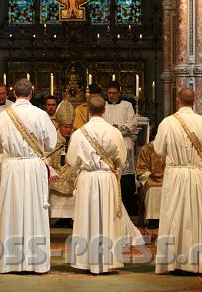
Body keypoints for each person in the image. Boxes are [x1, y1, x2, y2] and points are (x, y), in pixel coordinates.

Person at [0, 78, 57, 273]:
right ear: (32, 92)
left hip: (12, 167)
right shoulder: (41, 114)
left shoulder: (3, 116)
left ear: (13, 93)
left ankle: (10, 262)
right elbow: (51, 144)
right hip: (34, 166)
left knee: (12, 210)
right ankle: (36, 262)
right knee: (34, 210)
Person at [154, 88, 202, 274]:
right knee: (195, 217)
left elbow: (158, 150)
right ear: (194, 101)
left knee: (172, 216)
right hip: (195, 174)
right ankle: (195, 263)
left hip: (175, 174)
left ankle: (172, 263)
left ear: (178, 101)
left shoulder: (168, 122)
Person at [66, 94, 127, 274]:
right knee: (107, 216)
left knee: (87, 217)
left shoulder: (79, 133)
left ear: (88, 111)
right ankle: (106, 260)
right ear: (104, 110)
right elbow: (121, 160)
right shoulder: (114, 132)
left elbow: (71, 160)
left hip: (87, 178)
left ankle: (85, 260)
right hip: (107, 178)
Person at [103, 81, 137, 215]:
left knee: (125, 179)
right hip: (108, 145)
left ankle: (127, 210)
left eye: (114, 93)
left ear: (119, 92)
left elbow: (133, 123)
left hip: (124, 142)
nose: (111, 95)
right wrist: (110, 130)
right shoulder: (103, 106)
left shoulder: (127, 106)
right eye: (109, 93)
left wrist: (118, 129)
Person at [48, 100, 77, 227]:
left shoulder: (76, 137)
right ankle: (56, 218)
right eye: (65, 127)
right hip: (56, 172)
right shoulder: (52, 138)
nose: (68, 130)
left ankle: (71, 218)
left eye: (70, 127)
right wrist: (52, 171)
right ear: (59, 126)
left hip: (71, 173)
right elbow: (46, 158)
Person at [136, 138, 166, 228]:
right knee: (151, 186)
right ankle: (153, 220)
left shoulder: (169, 148)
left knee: (170, 186)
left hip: (166, 178)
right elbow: (141, 168)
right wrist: (150, 174)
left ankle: (165, 218)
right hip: (151, 178)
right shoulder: (146, 149)